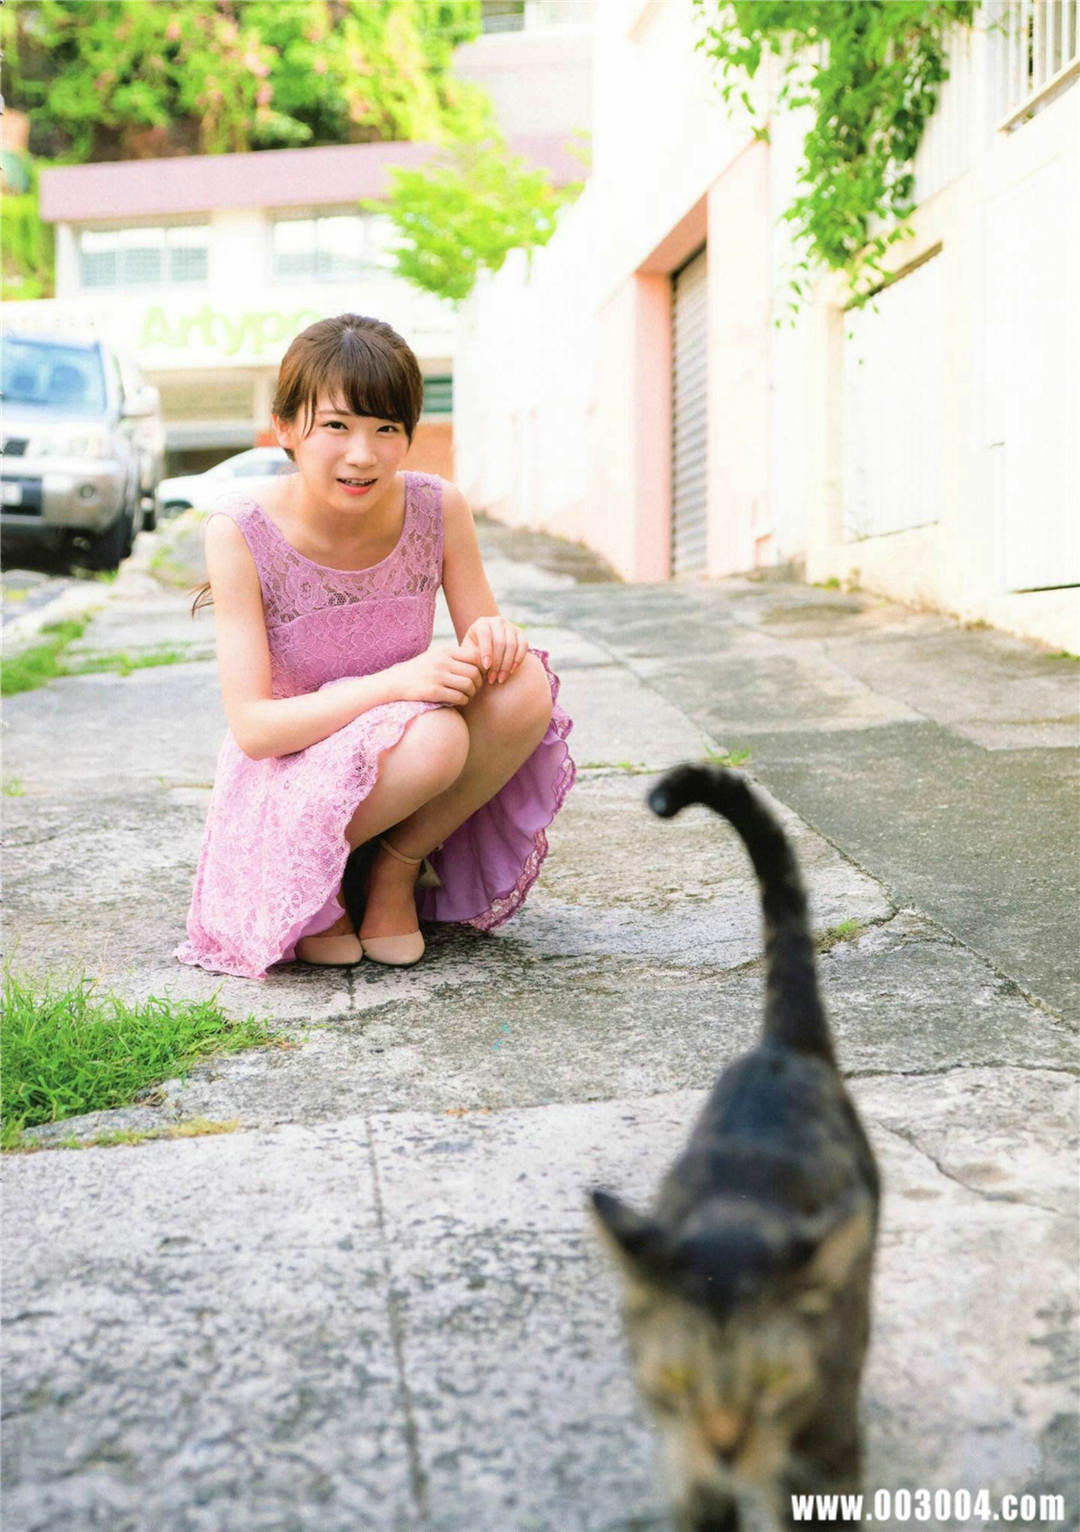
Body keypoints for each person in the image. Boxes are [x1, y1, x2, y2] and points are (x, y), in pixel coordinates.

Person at [176, 314, 574, 980]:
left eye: (386, 428)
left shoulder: (438, 507)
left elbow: (486, 642)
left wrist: (497, 638)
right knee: (436, 733)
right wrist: (396, 685)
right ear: (285, 429)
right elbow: (254, 729)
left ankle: (391, 868)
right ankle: (318, 883)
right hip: (288, 780)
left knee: (524, 680)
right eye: (336, 426)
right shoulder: (239, 531)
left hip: (401, 759)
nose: (362, 454)